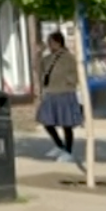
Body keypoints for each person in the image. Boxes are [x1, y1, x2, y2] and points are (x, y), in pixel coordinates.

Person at [38, 31, 84, 162]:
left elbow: (74, 74)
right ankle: (59, 145)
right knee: (47, 121)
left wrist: (68, 81)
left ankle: (68, 151)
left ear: (58, 42)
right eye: (48, 42)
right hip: (51, 93)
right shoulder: (47, 58)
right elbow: (39, 69)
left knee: (66, 124)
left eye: (51, 42)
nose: (49, 45)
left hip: (64, 93)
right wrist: (39, 54)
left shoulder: (68, 57)